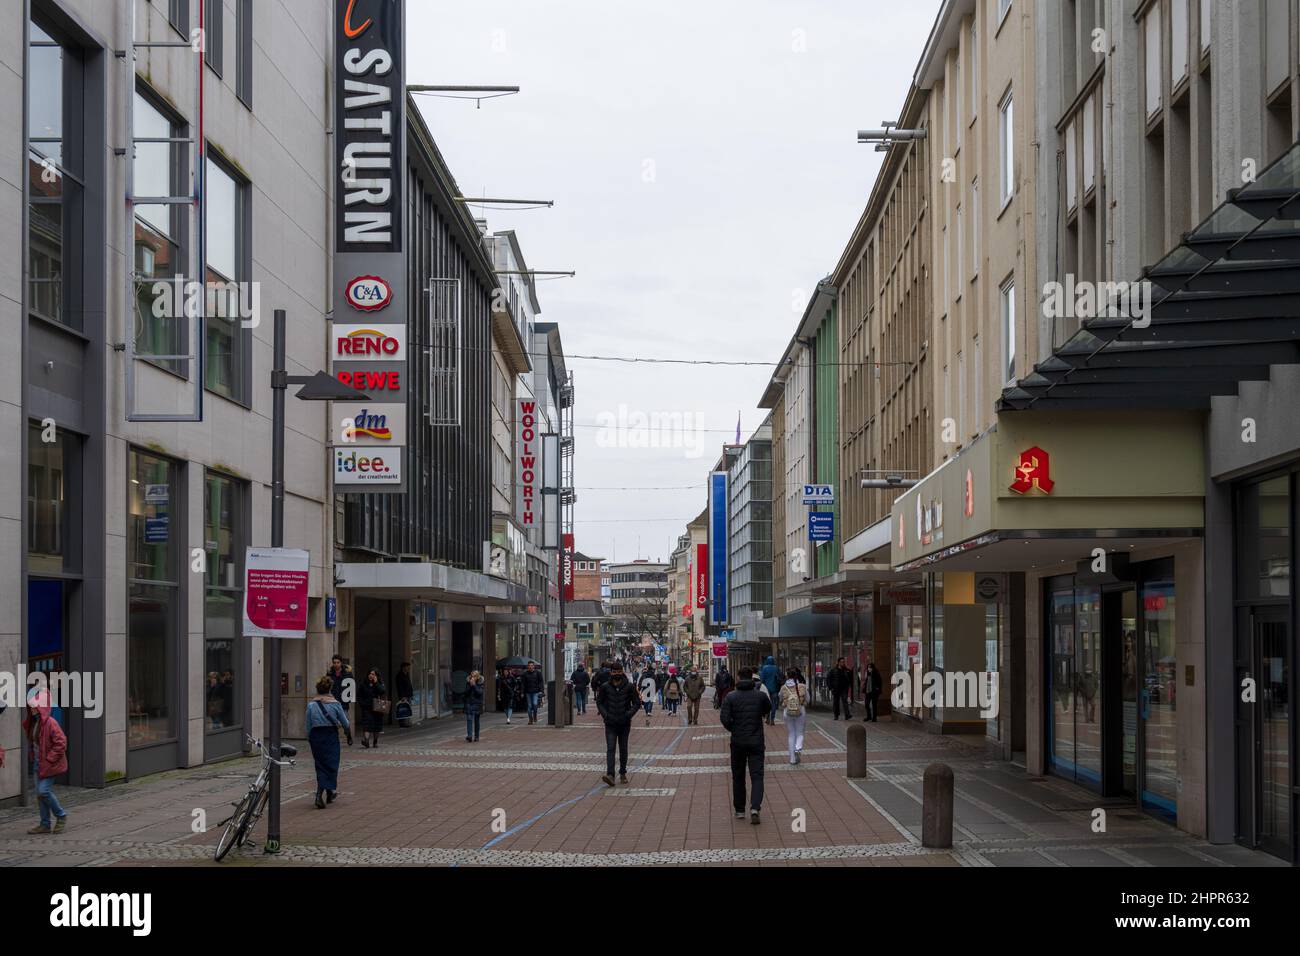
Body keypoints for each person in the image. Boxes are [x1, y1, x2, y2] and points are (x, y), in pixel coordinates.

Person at [720, 667, 769, 825]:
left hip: (738, 742)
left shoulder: (731, 697)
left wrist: (734, 728)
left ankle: (740, 810)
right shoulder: (760, 696)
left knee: (738, 776)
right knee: (757, 776)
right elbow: (767, 709)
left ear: (739, 677)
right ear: (752, 678)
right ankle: (755, 808)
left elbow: (725, 718)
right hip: (756, 741)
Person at [18, 688, 69, 833]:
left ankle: (61, 815)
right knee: (40, 795)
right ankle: (45, 824)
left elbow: (61, 742)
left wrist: (49, 758)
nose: (33, 709)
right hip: (37, 764)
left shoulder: (51, 723)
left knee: (43, 791)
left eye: (36, 706)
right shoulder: (34, 722)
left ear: (43, 707)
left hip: (49, 764)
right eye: (32, 706)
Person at [306, 676, 352, 808]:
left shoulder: (311, 705)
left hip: (316, 736)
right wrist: (348, 734)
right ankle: (322, 793)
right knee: (331, 764)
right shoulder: (335, 704)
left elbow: (308, 725)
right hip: (330, 736)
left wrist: (310, 738)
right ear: (330, 689)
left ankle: (328, 792)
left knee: (320, 765)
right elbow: (346, 723)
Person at [595, 661, 639, 787]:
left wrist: (629, 714)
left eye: (619, 672)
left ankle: (623, 772)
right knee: (610, 748)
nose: (617, 674)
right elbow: (600, 702)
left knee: (623, 748)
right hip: (610, 723)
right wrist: (605, 715)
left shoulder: (630, 687)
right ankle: (610, 775)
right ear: (611, 673)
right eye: (614, 672)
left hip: (624, 723)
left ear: (622, 672)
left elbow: (637, 703)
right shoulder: (605, 687)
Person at [779, 668, 809, 765]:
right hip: (800, 711)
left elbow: (780, 697)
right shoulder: (802, 686)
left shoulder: (783, 687)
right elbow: (808, 699)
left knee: (791, 734)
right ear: (797, 676)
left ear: (787, 676)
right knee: (800, 733)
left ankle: (792, 759)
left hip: (787, 712)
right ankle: (798, 748)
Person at [357, 668, 387, 748]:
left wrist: (376, 682)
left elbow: (382, 691)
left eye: (373, 674)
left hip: (377, 708)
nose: (371, 675)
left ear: (376, 676)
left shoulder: (379, 683)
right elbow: (359, 695)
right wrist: (362, 704)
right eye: (370, 673)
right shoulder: (363, 684)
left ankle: (375, 741)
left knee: (377, 726)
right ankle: (366, 741)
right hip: (367, 708)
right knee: (367, 724)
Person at [759, 655, 782, 725]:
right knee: (774, 704)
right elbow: (780, 677)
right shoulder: (776, 668)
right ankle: (772, 718)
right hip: (775, 688)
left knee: (766, 703)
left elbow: (762, 679)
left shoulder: (764, 668)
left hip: (766, 688)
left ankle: (767, 717)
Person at [464, 671, 486, 742]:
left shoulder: (480, 683)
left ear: (477, 677)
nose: (473, 677)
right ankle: (469, 736)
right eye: (472, 676)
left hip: (477, 704)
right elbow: (466, 693)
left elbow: (480, 692)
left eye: (474, 676)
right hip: (469, 703)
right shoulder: (468, 683)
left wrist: (474, 686)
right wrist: (470, 686)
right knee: (469, 719)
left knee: (476, 721)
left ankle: (477, 736)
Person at [395, 662, 415, 727]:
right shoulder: (399, 675)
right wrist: (402, 696)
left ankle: (407, 722)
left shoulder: (407, 674)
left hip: (408, 694)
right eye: (407, 667)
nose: (408, 668)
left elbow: (409, 684)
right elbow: (400, 687)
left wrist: (411, 693)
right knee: (402, 709)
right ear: (403, 667)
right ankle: (402, 723)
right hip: (404, 695)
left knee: (407, 708)